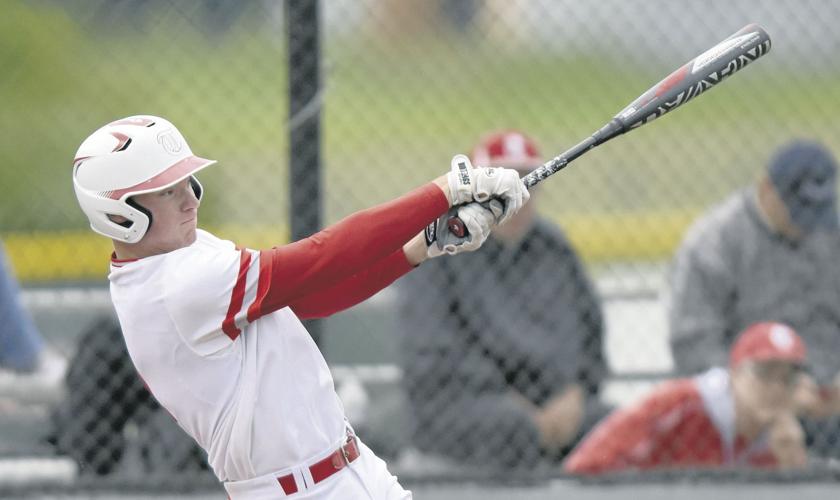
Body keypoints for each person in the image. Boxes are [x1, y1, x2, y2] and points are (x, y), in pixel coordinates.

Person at [70, 115, 529, 499]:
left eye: (186, 181)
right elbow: (320, 258)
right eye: (168, 191)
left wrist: (419, 246)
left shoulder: (178, 257)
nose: (190, 197)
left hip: (349, 469)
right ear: (119, 212)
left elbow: (312, 296)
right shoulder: (176, 286)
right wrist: (445, 190)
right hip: (299, 491)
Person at [396, 130, 608, 470]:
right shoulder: (440, 247)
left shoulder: (555, 250)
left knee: (616, 425)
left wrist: (575, 393)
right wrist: (518, 406)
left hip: (555, 403)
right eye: (502, 186)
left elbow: (589, 338)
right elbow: (433, 354)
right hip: (463, 404)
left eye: (528, 183)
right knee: (512, 428)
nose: (517, 198)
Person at [666, 140, 840, 456]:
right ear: (766, 189)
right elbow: (693, 347)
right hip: (748, 405)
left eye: (818, 210)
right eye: (797, 207)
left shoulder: (831, 233)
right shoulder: (715, 243)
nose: (808, 223)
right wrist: (775, 393)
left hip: (827, 398)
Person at [565, 321, 809, 474]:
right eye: (764, 374)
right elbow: (586, 465)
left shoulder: (782, 438)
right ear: (734, 373)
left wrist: (792, 465)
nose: (776, 388)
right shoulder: (679, 404)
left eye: (787, 379)